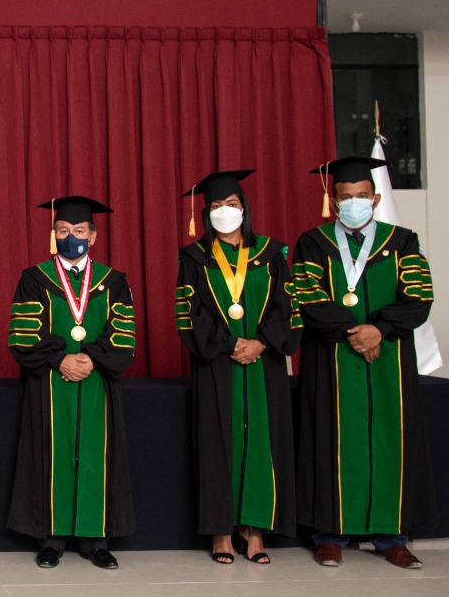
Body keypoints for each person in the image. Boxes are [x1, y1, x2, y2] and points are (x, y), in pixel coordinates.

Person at [293, 156, 435, 569]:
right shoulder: (314, 243)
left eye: (360, 196)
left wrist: (380, 329)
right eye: (344, 197)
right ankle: (330, 535)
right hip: (332, 358)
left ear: (374, 200)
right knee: (333, 438)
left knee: (390, 437)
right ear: (333, 202)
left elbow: (419, 296)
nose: (353, 203)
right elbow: (308, 297)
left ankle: (392, 536)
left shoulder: (402, 241)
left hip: (388, 358)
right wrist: (355, 332)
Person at [175, 170, 301, 565]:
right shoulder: (194, 258)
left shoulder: (272, 253)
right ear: (205, 213)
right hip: (218, 365)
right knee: (218, 443)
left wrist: (262, 342)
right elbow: (188, 315)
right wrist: (230, 344)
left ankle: (256, 530)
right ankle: (221, 533)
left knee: (263, 443)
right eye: (215, 207)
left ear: (244, 208)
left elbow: (289, 309)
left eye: (231, 205)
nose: (224, 212)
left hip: (265, 363)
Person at [6, 196, 135, 570]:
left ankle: (95, 539)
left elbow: (123, 335)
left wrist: (91, 358)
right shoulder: (35, 279)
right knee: (53, 451)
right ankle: (52, 537)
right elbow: (22, 335)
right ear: (54, 235)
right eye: (63, 231)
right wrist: (59, 359)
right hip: (49, 382)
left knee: (95, 455)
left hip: (97, 381)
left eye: (79, 231)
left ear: (93, 236)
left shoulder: (113, 281)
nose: (71, 238)